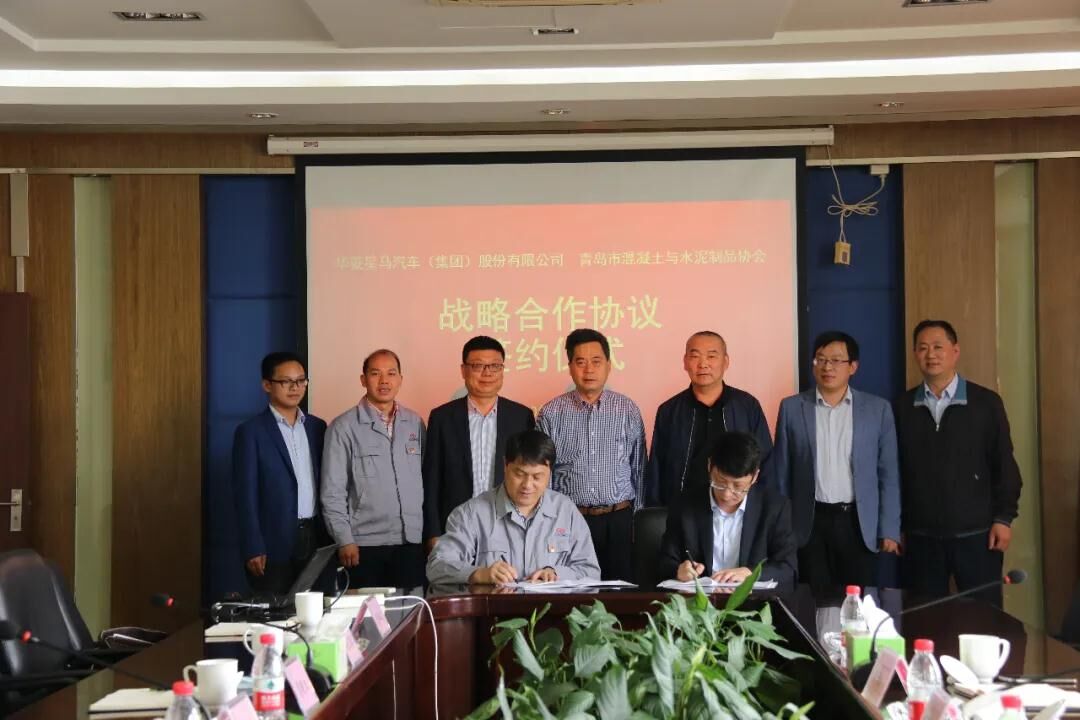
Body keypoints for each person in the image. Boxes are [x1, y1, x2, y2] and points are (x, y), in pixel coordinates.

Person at [896, 320, 1022, 607]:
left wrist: (1004, 518)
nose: (931, 354)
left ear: (955, 351)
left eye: (938, 347)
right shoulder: (901, 407)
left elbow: (1004, 464)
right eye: (923, 348)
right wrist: (896, 525)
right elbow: (895, 473)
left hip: (977, 535)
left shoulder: (986, 403)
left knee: (984, 616)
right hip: (920, 538)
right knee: (924, 618)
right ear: (915, 354)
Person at [770, 331, 901, 588]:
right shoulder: (792, 408)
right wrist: (782, 528)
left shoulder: (878, 409)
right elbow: (782, 474)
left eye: (836, 360)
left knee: (859, 600)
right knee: (812, 599)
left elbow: (888, 474)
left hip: (857, 522)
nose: (827, 367)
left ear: (853, 366)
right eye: (820, 359)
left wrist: (888, 528)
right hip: (809, 523)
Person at [537, 328, 646, 581]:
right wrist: (548, 524)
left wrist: (637, 523)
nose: (589, 370)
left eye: (596, 361)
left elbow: (640, 469)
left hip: (619, 520)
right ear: (570, 367)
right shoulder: (551, 413)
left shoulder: (627, 409)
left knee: (620, 592)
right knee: (573, 590)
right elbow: (544, 474)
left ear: (608, 365)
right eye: (580, 362)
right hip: (570, 519)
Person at [426, 429, 600, 586]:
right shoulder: (472, 514)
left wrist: (556, 574)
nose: (527, 485)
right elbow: (437, 566)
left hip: (551, 610)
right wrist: (479, 574)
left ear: (550, 472)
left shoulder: (566, 511)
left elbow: (590, 571)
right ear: (505, 465)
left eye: (537, 477)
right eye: (519, 474)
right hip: (493, 610)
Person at [321, 349, 426, 589]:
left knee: (410, 609)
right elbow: (332, 491)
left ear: (400, 379)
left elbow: (423, 480)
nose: (384, 381)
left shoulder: (414, 423)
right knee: (367, 611)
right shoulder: (343, 427)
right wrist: (344, 539)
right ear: (363, 379)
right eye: (375, 373)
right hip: (363, 545)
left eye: (391, 373)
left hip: (410, 542)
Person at [422, 336, 536, 550]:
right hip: (456, 525)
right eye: (478, 366)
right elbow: (431, 479)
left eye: (495, 366)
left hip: (509, 525)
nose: (487, 373)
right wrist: (433, 532)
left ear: (502, 370)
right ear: (463, 370)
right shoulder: (442, 418)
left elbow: (530, 475)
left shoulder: (521, 416)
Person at [232, 352, 327, 595]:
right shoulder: (251, 432)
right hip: (273, 541)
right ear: (267, 385)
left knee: (316, 608)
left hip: (315, 536)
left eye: (301, 380)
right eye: (286, 381)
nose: (295, 388)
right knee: (276, 610)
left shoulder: (317, 427)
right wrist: (253, 545)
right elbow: (245, 495)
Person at [646, 331, 773, 507]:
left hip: (736, 509)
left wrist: (761, 508)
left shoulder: (747, 406)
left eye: (711, 356)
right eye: (695, 356)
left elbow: (766, 461)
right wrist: (657, 510)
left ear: (726, 362)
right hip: (684, 510)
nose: (703, 364)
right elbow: (656, 469)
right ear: (685, 362)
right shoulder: (669, 411)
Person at [658, 431, 797, 588]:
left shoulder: (775, 508)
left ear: (755, 477)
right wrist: (679, 570)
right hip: (699, 600)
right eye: (720, 482)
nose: (726, 494)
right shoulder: (684, 505)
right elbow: (665, 561)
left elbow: (788, 569)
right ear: (709, 466)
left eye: (738, 487)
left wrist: (751, 574)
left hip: (752, 600)